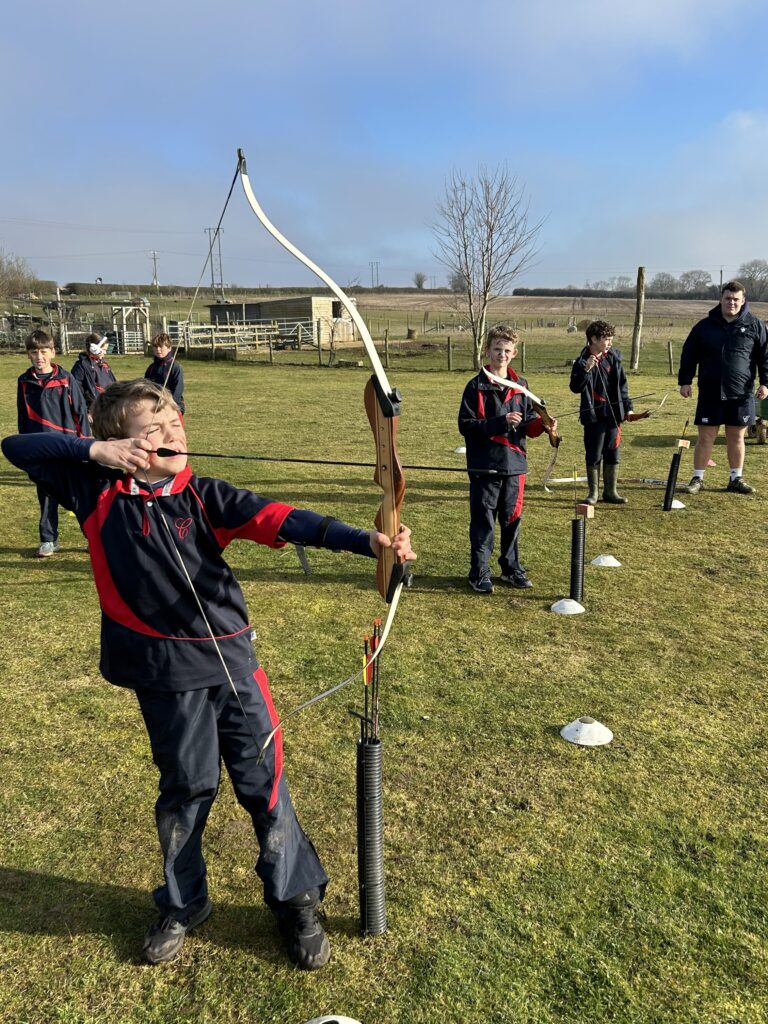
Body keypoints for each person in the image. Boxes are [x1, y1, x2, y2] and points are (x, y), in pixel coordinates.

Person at [1, 378, 415, 970]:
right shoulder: (93, 489)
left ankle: (295, 899)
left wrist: (369, 541)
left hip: (234, 666)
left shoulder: (206, 496)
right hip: (163, 675)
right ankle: (182, 901)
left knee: (263, 784)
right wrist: (97, 454)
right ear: (124, 445)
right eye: (154, 431)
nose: (174, 434)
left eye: (175, 421)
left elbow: (287, 519)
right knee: (186, 789)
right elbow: (17, 446)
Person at [458, 325, 557, 594]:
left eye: (507, 350)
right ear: (487, 351)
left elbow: (527, 425)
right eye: (497, 349)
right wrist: (499, 422)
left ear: (514, 353)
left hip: (515, 467)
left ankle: (511, 568)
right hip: (485, 466)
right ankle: (479, 572)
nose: (501, 354)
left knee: (512, 520)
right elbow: (466, 425)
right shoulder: (475, 387)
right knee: (484, 522)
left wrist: (544, 425)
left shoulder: (521, 386)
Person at [678, 280, 768, 494]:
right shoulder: (704, 326)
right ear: (721, 299)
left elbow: (765, 357)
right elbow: (689, 355)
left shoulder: (755, 326)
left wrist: (765, 383)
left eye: (736, 299)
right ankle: (698, 479)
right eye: (728, 298)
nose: (731, 303)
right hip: (710, 392)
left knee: (736, 437)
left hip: (741, 394)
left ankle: (736, 478)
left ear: (743, 300)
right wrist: (685, 381)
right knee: (705, 437)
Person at [16, 329, 91, 557]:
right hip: (41, 450)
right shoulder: (24, 382)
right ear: (29, 354)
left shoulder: (66, 379)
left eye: (43, 351)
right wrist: (27, 448)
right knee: (47, 495)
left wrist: (86, 446)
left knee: (79, 496)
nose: (39, 356)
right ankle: (49, 540)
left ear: (53, 352)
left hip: (67, 447)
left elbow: (80, 412)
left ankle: (93, 537)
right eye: (34, 352)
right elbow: (23, 417)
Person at [569, 320, 648, 505]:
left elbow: (622, 386)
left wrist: (628, 408)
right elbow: (575, 387)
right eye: (606, 339)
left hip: (614, 414)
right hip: (594, 416)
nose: (610, 343)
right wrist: (586, 370)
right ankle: (593, 493)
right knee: (594, 453)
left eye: (612, 339)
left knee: (613, 452)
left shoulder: (613, 358)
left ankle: (611, 492)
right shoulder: (582, 361)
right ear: (593, 339)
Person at [70, 333, 117, 408]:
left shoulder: (104, 365)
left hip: (107, 406)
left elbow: (113, 383)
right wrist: (86, 411)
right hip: (93, 408)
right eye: (104, 350)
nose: (105, 352)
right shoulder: (81, 366)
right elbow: (76, 391)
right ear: (94, 349)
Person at [145, 333, 185, 413]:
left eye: (161, 347)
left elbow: (178, 389)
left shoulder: (175, 367)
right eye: (156, 347)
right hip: (154, 405)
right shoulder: (151, 368)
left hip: (173, 405)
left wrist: (169, 406)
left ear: (169, 348)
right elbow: (146, 386)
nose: (158, 350)